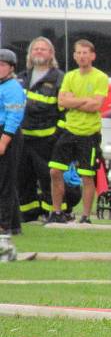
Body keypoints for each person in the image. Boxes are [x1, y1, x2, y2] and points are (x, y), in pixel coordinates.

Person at [45, 40, 108, 225]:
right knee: (55, 171)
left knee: (87, 175)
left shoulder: (100, 77)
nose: (82, 56)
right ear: (74, 56)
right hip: (69, 130)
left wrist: (75, 100)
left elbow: (96, 105)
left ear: (93, 56)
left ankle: (86, 217)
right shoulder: (70, 76)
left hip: (89, 133)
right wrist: (83, 101)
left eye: (85, 53)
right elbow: (62, 101)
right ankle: (57, 213)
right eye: (78, 53)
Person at [16, 37, 64, 222]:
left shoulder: (59, 78)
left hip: (47, 138)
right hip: (22, 137)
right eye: (35, 49)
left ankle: (53, 212)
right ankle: (28, 213)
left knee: (47, 177)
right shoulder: (21, 77)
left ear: (51, 54)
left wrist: (56, 134)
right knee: (23, 178)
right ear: (30, 53)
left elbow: (64, 111)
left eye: (43, 49)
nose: (38, 52)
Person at [0, 49, 26, 235]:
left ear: (11, 68)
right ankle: (14, 223)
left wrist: (4, 141)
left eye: (2, 65)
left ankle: (4, 224)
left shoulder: (13, 87)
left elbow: (14, 115)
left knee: (4, 181)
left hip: (7, 133)